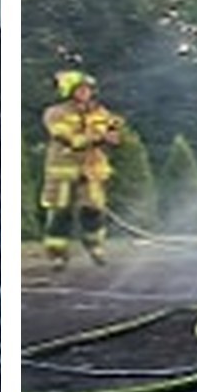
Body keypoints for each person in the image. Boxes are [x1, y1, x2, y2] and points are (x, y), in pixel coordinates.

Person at [38, 69, 132, 261]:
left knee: (94, 211)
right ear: (68, 91)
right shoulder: (55, 113)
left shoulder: (100, 112)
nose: (85, 92)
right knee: (60, 213)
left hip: (92, 171)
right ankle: (57, 253)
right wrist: (99, 137)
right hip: (64, 172)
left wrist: (115, 135)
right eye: (80, 89)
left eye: (88, 89)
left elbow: (114, 131)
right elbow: (70, 139)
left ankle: (95, 247)